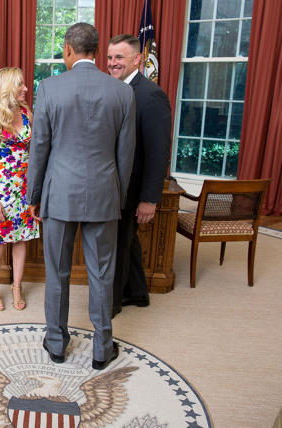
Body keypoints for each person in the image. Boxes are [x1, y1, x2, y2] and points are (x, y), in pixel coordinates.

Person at [26, 23, 136, 370]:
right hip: (104, 195)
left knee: (57, 271)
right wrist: (116, 196)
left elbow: (39, 147)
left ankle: (56, 344)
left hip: (59, 195)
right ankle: (102, 348)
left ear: (68, 50)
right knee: (102, 274)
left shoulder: (50, 88)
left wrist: (34, 194)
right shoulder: (121, 92)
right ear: (96, 51)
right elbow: (126, 154)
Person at [106, 34, 172, 316]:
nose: (112, 63)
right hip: (113, 182)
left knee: (118, 243)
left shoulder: (151, 94)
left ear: (137, 59)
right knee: (127, 240)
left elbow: (159, 152)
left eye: (119, 57)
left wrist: (149, 199)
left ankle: (112, 303)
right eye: (109, 58)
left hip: (133, 186)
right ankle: (137, 293)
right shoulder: (110, 89)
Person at [0, 67, 40, 312]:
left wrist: (36, 191)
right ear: (6, 89)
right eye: (20, 85)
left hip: (24, 190)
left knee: (21, 239)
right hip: (0, 191)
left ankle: (17, 287)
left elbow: (35, 153)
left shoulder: (27, 114)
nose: (25, 89)